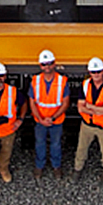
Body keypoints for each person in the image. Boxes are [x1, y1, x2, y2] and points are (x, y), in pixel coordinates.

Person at [74, 56, 103, 185]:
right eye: (93, 72)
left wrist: (89, 107)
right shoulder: (85, 85)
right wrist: (98, 110)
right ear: (89, 73)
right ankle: (77, 169)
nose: (96, 75)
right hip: (87, 125)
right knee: (81, 150)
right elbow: (80, 108)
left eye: (98, 72)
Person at [29, 49, 69, 179]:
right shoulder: (35, 80)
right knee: (40, 143)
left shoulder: (62, 81)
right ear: (40, 65)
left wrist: (52, 118)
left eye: (50, 63)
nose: (47, 67)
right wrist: (41, 119)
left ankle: (56, 166)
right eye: (44, 64)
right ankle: (39, 167)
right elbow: (32, 102)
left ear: (54, 64)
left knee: (55, 144)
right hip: (40, 121)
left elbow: (65, 103)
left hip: (55, 121)